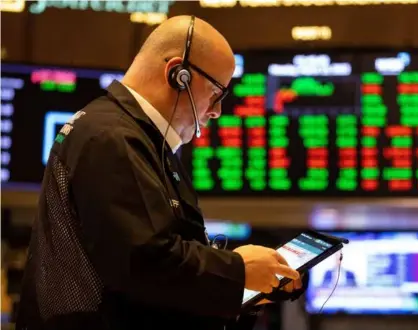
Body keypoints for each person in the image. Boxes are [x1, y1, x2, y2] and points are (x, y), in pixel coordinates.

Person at [16, 15, 305, 330]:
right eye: (216, 92)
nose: (216, 110)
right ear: (177, 75)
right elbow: (145, 263)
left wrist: (244, 291)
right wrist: (238, 271)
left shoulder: (143, 142)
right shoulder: (111, 137)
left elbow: (158, 279)